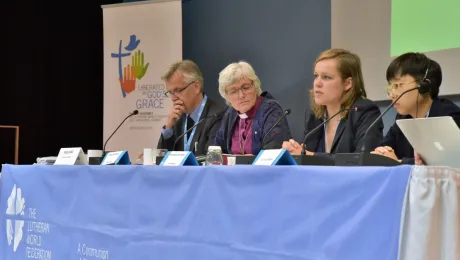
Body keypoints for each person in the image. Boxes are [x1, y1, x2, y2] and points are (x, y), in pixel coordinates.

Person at [282, 48, 383, 156]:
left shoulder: (365, 112)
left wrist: (310, 155)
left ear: (347, 83)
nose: (317, 83)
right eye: (316, 76)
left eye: (326, 77)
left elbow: (362, 160)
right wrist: (295, 151)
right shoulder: (314, 114)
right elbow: (306, 156)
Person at [372, 52, 460, 164]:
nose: (392, 94)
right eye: (391, 86)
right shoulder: (402, 119)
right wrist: (382, 153)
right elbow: (383, 150)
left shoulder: (449, 117)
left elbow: (446, 163)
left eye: (398, 85)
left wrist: (399, 162)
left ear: (424, 86)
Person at [214, 61, 292, 154]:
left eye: (246, 87)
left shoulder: (271, 110)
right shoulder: (230, 114)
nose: (241, 95)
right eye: (234, 91)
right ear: (227, 96)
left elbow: (273, 153)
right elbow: (216, 152)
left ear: (255, 86)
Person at [157, 60, 225, 155]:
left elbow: (211, 159)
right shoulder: (177, 117)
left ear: (196, 87)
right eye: (171, 92)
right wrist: (168, 128)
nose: (173, 98)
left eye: (178, 90)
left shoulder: (216, 116)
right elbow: (162, 159)